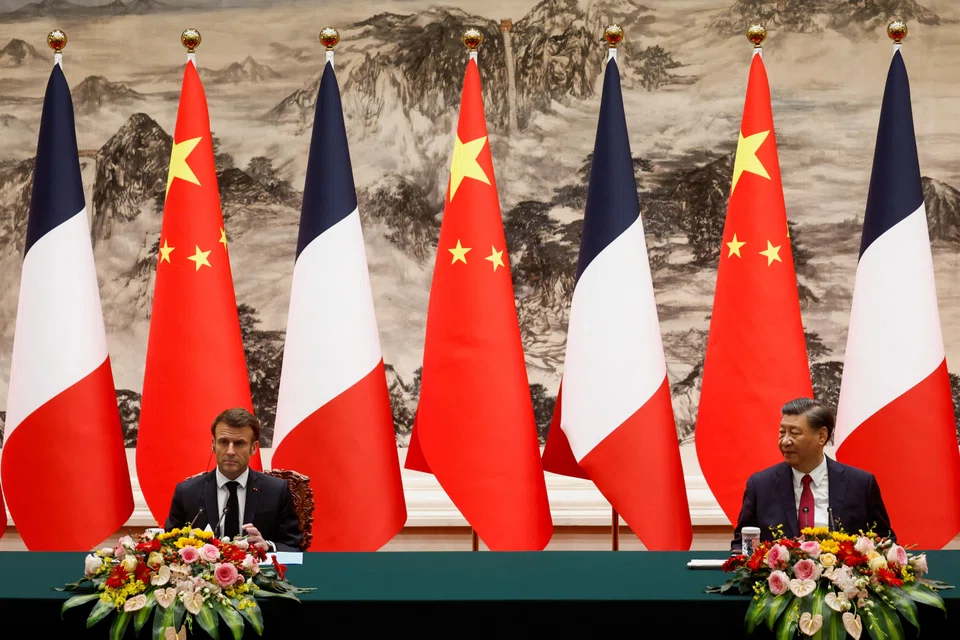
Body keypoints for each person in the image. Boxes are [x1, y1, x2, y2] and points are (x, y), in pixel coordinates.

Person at [731, 397, 895, 553]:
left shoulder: (860, 484)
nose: (785, 441)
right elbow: (741, 545)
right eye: (782, 432)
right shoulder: (760, 486)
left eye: (794, 433)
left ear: (821, 436)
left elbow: (886, 542)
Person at [164, 407, 303, 552]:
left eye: (239, 443)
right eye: (223, 442)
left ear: (254, 447)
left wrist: (267, 546)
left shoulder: (276, 491)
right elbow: (168, 547)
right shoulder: (187, 493)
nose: (230, 451)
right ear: (213, 444)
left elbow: (293, 547)